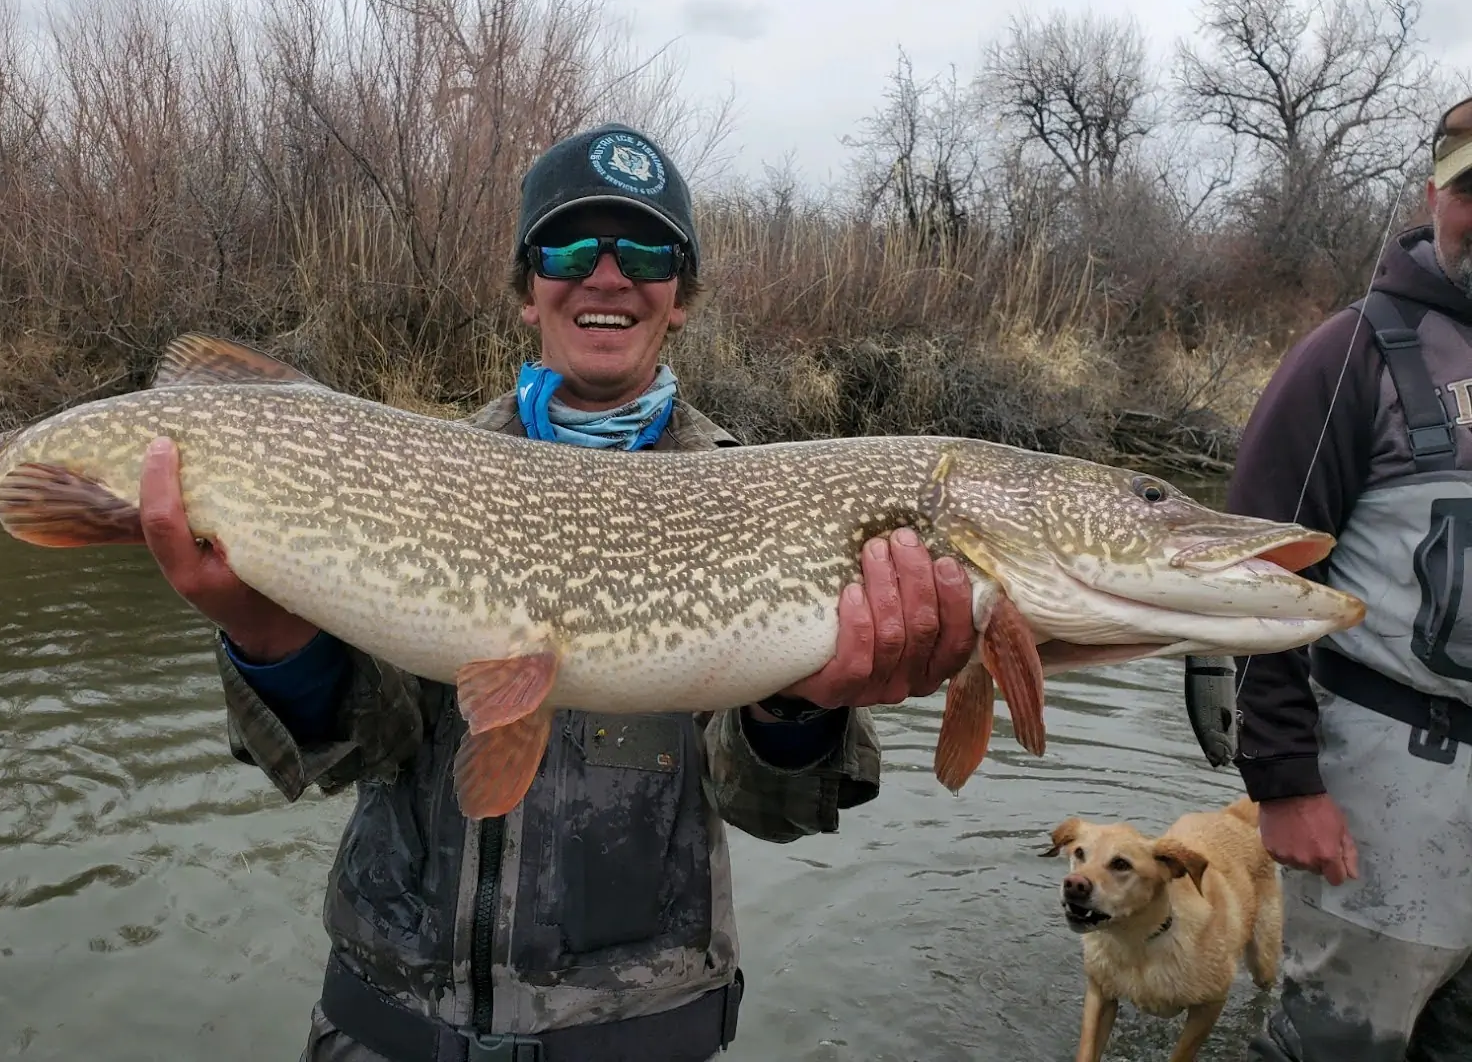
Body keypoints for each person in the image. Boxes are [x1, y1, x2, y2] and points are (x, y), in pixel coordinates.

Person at [134, 123, 979, 1061]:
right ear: (528, 292)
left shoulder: (770, 495)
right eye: (571, 247)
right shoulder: (410, 471)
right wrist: (266, 638)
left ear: (681, 297)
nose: (607, 276)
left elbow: (774, 811)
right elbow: (346, 757)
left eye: (646, 250)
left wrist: (796, 706)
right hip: (384, 1030)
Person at [1226, 95, 1472, 1061]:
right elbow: (1245, 573)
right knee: (1337, 1047)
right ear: (1435, 197)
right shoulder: (1349, 354)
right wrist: (1284, 782)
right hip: (1384, 785)